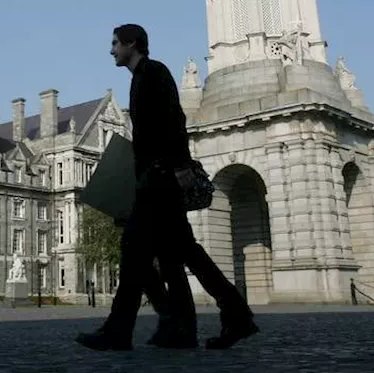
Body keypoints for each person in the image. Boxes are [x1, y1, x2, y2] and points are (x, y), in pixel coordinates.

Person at [76, 24, 259, 351]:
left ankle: (121, 330)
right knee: (185, 253)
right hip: (153, 178)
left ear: (132, 43)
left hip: (160, 179)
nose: (112, 50)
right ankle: (232, 315)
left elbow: (175, 120)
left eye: (116, 43)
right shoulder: (139, 78)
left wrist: (178, 166)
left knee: (137, 254)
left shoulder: (154, 72)